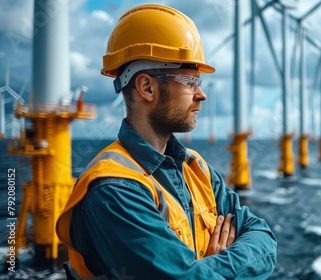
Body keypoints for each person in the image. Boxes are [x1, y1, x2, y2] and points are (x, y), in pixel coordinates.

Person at [56, 4, 277, 279]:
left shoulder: (198, 170)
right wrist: (219, 266)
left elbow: (265, 239)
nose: (201, 95)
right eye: (189, 82)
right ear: (146, 87)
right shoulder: (114, 191)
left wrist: (210, 268)